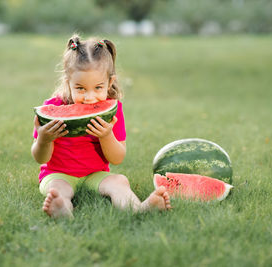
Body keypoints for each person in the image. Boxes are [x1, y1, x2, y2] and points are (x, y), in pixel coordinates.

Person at [31, 35, 171, 218]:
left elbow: (117, 158)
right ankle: (61, 207)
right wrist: (44, 139)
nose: (90, 98)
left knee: (119, 181)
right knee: (57, 189)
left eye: (98, 88)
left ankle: (140, 209)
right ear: (68, 82)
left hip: (96, 174)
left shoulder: (113, 110)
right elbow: (41, 158)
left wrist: (106, 136)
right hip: (58, 174)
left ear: (110, 83)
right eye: (80, 88)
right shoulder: (52, 107)